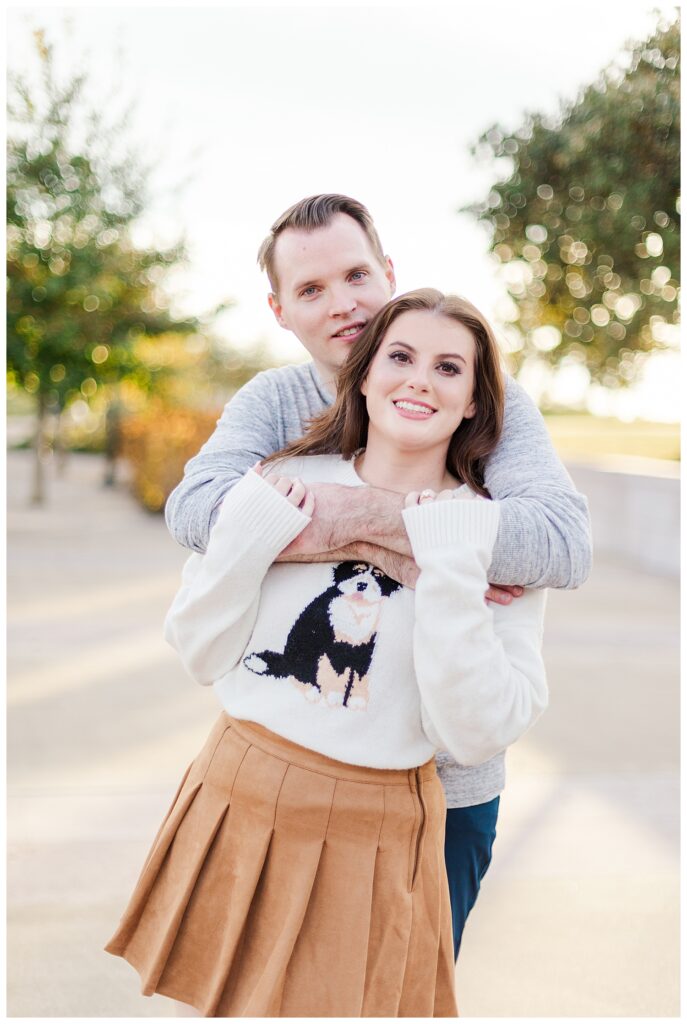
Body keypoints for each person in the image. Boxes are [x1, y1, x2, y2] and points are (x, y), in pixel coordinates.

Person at [164, 195, 592, 959]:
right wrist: (423, 544)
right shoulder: (277, 402)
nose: (343, 303)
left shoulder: (482, 400)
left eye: (357, 274)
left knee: (400, 991)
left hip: (443, 786)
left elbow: (558, 546)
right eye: (311, 289)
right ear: (280, 311)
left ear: (388, 272)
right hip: (291, 766)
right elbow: (198, 514)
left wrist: (348, 523)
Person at [106, 288, 548, 1017]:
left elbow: (473, 731)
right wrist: (257, 528)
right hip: (240, 784)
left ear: (473, 401)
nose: (417, 379)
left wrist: (444, 562)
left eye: (447, 368)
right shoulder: (284, 485)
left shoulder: (490, 540)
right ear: (364, 374)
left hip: (380, 824)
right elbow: (196, 648)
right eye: (399, 357)